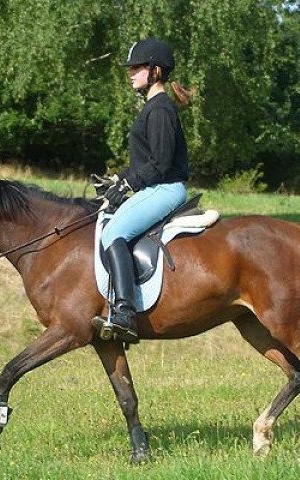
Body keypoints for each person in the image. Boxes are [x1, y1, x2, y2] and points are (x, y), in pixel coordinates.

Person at [95, 37, 192, 344]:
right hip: (155, 187)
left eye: (137, 67)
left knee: (112, 235)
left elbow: (161, 163)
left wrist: (128, 184)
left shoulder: (160, 110)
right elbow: (146, 161)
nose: (131, 73)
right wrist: (117, 179)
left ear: (155, 71)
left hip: (165, 189)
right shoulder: (153, 108)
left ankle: (124, 315)